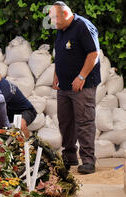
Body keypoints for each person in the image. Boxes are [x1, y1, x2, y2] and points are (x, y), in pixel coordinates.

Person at [49, 1, 100, 174]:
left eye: (55, 18)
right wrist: (56, 74)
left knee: (84, 122)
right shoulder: (60, 30)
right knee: (65, 122)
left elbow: (94, 53)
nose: (53, 22)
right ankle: (69, 156)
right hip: (64, 86)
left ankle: (88, 160)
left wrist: (81, 76)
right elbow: (60, 54)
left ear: (64, 14)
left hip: (82, 86)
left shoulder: (83, 26)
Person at [0, 64, 37, 138]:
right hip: (7, 111)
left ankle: (26, 145)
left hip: (24, 111)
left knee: (19, 125)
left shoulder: (4, 90)